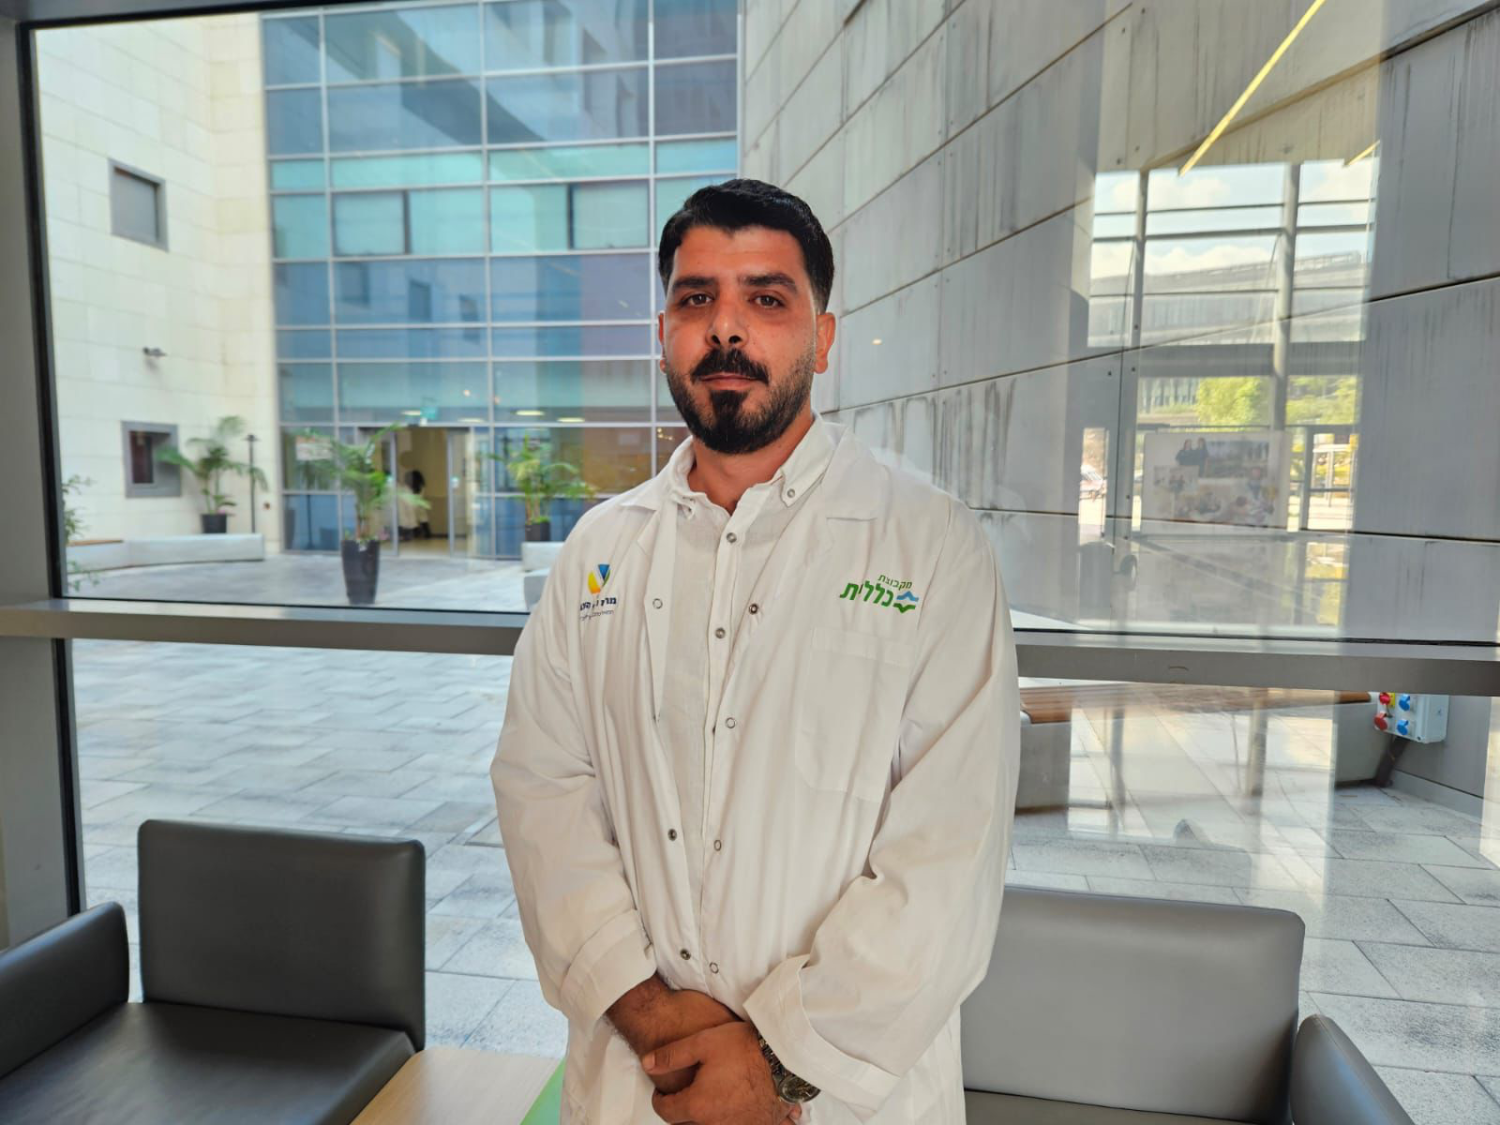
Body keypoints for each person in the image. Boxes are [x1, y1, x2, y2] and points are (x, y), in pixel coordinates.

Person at [492, 179, 1021, 1124]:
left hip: (839, 1095)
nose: (725, 328)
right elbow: (543, 796)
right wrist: (653, 1014)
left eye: (766, 298)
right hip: (642, 1075)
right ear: (664, 331)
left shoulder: (930, 544)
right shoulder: (599, 551)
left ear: (823, 337)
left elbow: (950, 851)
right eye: (697, 298)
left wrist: (775, 1064)